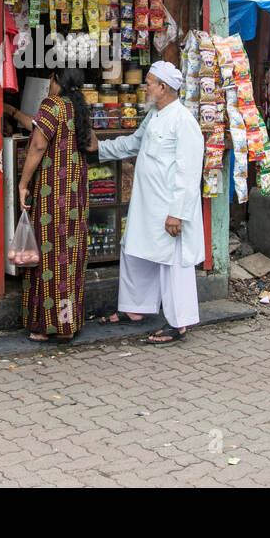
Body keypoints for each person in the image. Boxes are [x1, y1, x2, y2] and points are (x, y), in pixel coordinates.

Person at [89, 61, 205, 344]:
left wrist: (177, 214)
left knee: (172, 263)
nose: (145, 87)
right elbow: (132, 143)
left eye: (149, 82)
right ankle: (135, 309)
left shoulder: (184, 122)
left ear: (163, 88)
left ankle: (178, 325)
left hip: (168, 209)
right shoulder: (154, 115)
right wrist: (99, 148)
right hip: (145, 204)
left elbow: (189, 173)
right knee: (134, 251)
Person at [8, 68, 94, 342]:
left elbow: (37, 145)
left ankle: (47, 326)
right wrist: (12, 113)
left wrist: (23, 184)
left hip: (53, 194)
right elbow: (91, 144)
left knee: (49, 257)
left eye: (50, 80)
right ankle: (68, 323)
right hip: (76, 193)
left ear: (55, 80)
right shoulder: (77, 107)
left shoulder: (52, 105)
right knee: (70, 258)